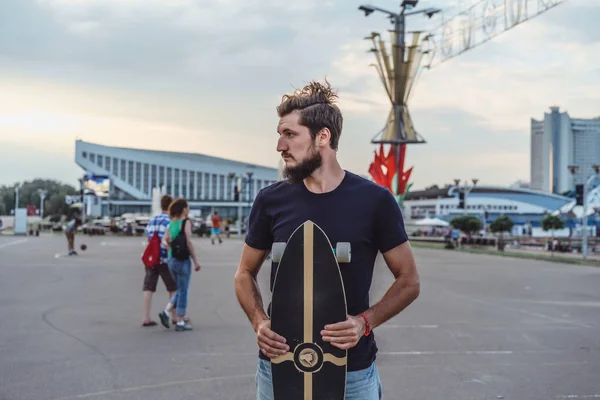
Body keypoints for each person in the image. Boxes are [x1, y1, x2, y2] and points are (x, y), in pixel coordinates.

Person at [234, 80, 420, 400]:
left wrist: (365, 322)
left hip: (351, 371)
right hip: (280, 367)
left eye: (290, 134)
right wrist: (259, 322)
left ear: (323, 136)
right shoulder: (271, 200)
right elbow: (244, 273)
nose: (280, 146)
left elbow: (409, 280)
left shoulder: (375, 201)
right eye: (279, 135)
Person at [158, 199, 202, 331]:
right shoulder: (185, 222)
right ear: (183, 209)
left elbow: (163, 241)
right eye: (187, 207)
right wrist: (195, 260)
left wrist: (168, 246)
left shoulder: (171, 223)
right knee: (183, 290)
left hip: (171, 259)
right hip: (183, 260)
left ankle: (168, 312)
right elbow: (188, 241)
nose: (188, 210)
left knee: (178, 289)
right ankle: (179, 321)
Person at [141, 194, 178, 327]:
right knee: (173, 287)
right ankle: (174, 316)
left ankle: (146, 318)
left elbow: (148, 238)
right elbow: (171, 239)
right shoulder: (171, 221)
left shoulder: (153, 219)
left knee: (148, 288)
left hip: (152, 259)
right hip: (165, 258)